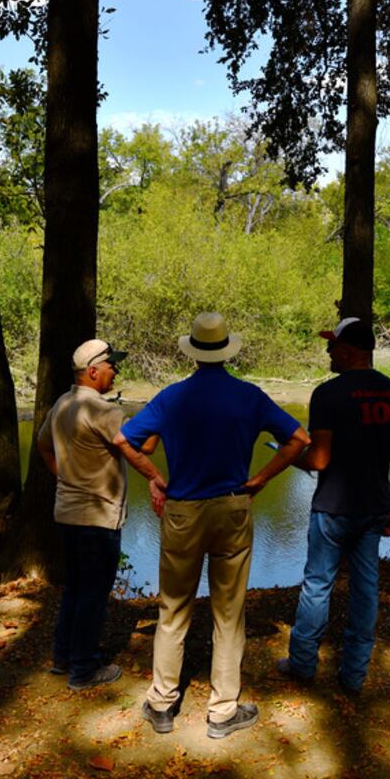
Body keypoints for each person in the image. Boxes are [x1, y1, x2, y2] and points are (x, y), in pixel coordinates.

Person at [113, 311, 308, 739]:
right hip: (233, 509)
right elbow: (299, 440)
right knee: (228, 613)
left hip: (183, 510)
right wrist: (260, 479)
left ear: (195, 353)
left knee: (173, 609)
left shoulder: (173, 398)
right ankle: (222, 712)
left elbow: (123, 440)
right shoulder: (249, 396)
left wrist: (152, 475)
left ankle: (162, 704)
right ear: (225, 351)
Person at [276, 316, 390, 694]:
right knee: (366, 588)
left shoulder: (327, 394)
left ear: (350, 350)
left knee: (318, 584)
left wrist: (291, 456)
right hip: (373, 508)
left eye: (332, 344)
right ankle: (353, 674)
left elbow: (318, 460)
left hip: (332, 508)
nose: (328, 350)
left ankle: (303, 664)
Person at [36, 338, 132, 690]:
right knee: (93, 592)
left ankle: (63, 657)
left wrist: (64, 476)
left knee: (75, 588)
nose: (116, 370)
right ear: (93, 371)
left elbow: (43, 445)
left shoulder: (63, 403)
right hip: (98, 519)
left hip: (67, 514)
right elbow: (140, 446)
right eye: (111, 365)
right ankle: (84, 670)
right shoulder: (104, 411)